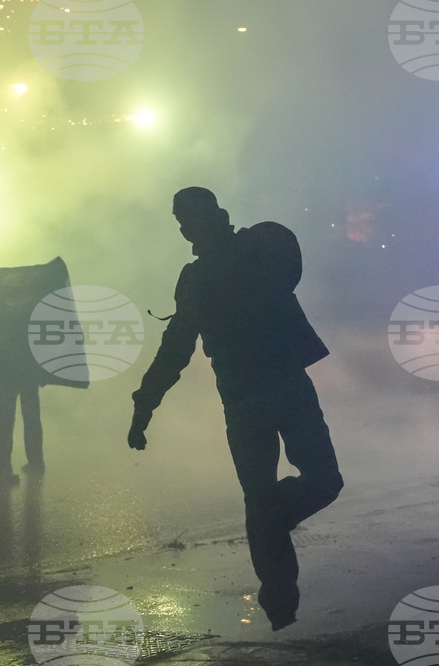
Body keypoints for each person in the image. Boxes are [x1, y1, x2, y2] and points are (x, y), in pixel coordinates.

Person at [128, 187, 343, 631]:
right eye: (183, 222)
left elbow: (176, 349)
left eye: (190, 220)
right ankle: (280, 604)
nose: (187, 229)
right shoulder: (231, 261)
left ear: (213, 217)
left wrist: (145, 405)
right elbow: (176, 348)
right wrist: (145, 402)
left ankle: (272, 550)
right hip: (262, 394)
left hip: (267, 392)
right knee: (309, 486)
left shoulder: (250, 252)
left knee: (290, 494)